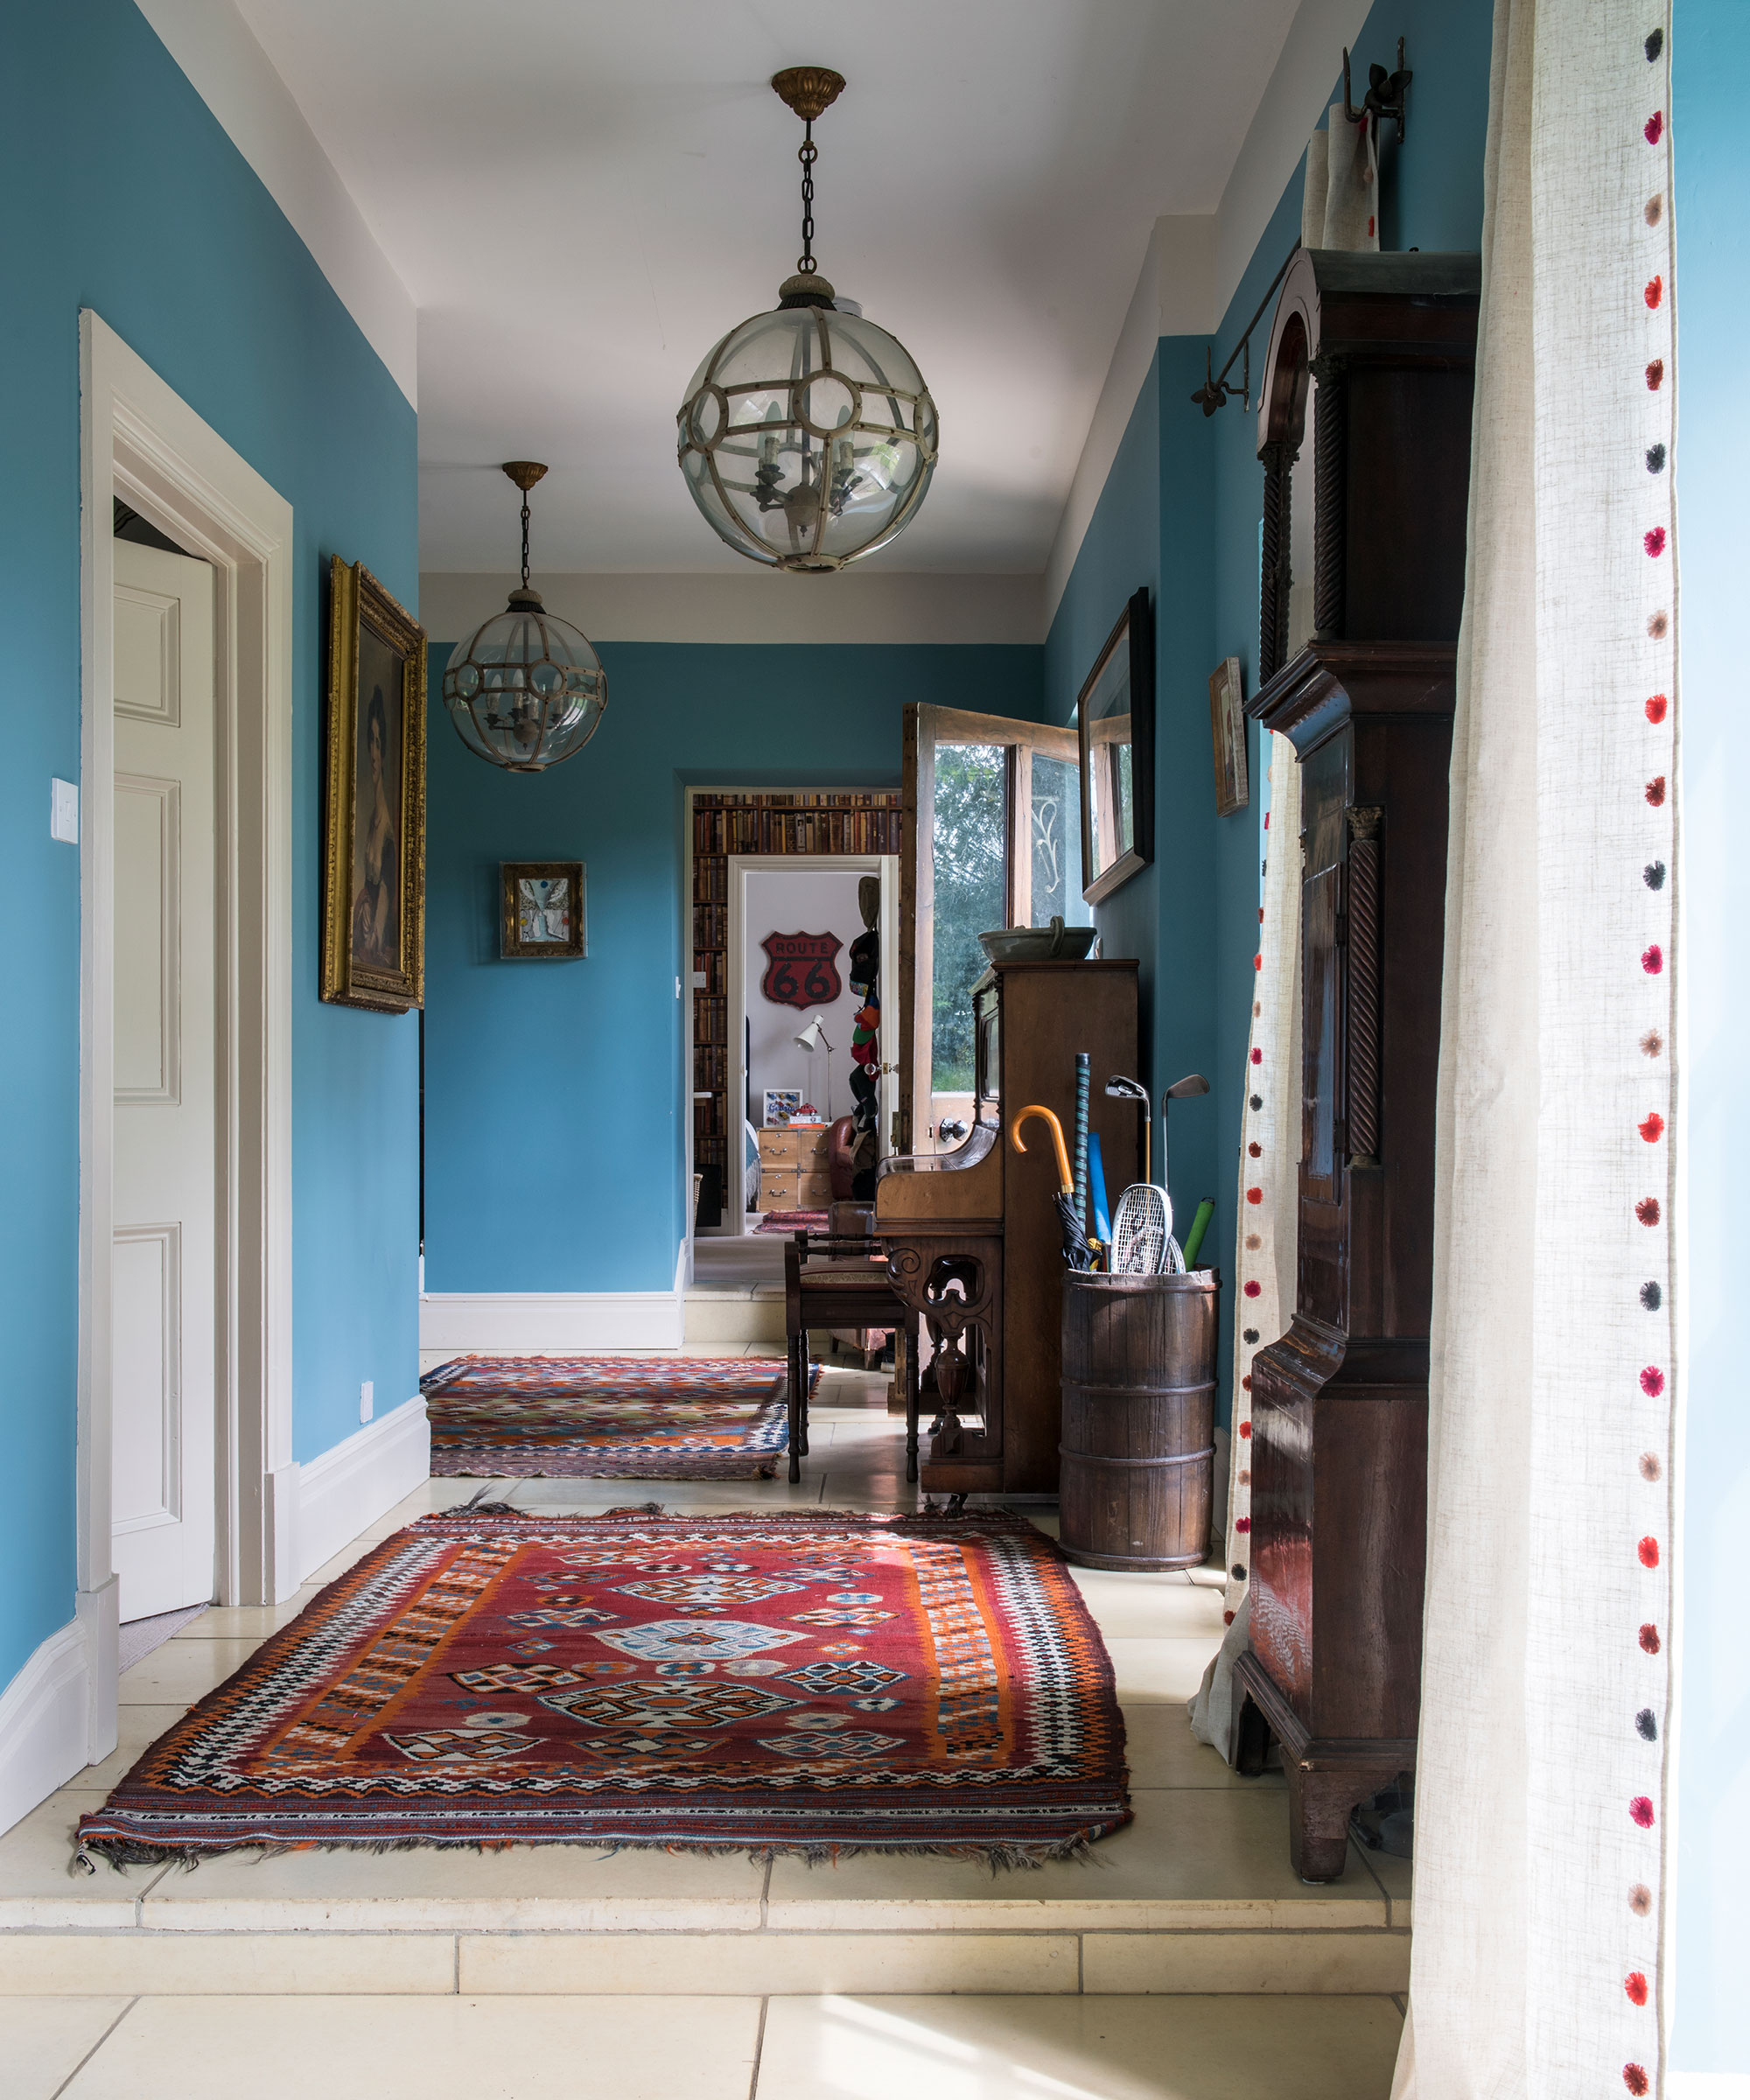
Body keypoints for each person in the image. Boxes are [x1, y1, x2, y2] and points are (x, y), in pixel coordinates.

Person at [352, 685, 396, 965]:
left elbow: (388, 889)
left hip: (376, 929)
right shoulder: (373, 815)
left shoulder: (387, 821)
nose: (374, 753)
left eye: (379, 742)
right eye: (371, 741)